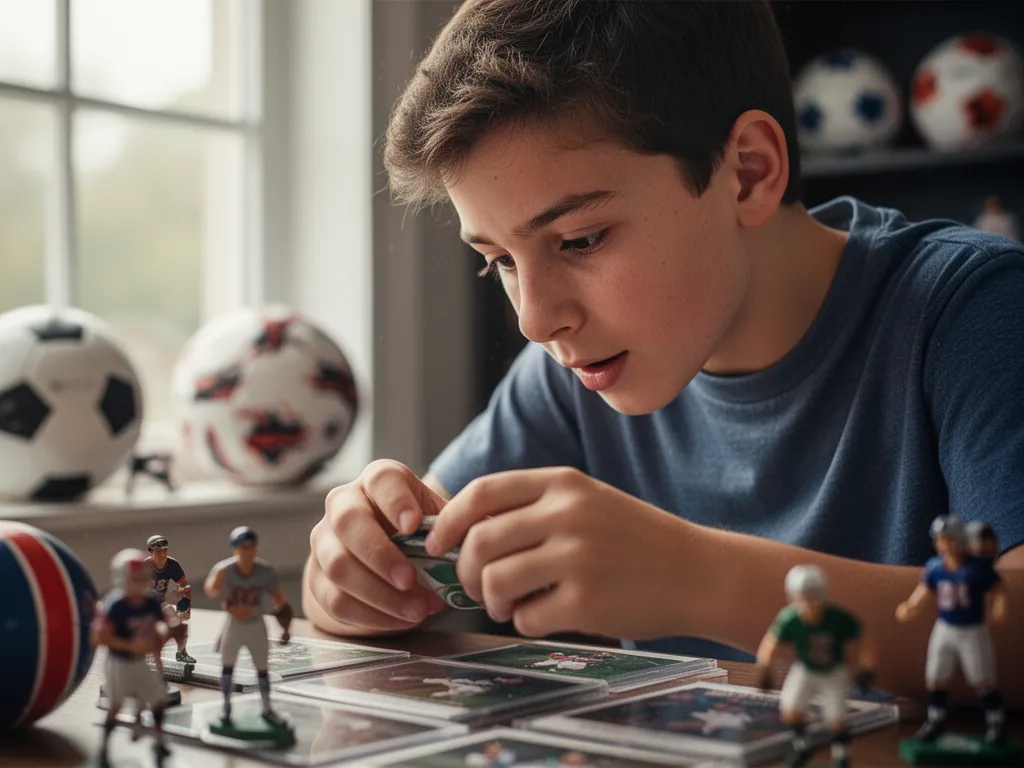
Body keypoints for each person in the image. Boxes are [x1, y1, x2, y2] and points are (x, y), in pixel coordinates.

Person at [303, 0, 1024, 704]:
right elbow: (396, 566)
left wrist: (700, 578)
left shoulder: (973, 309)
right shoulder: (574, 375)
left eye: (580, 240)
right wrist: (354, 579)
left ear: (747, 170)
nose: (535, 320)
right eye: (500, 261)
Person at [896, 515, 1007, 744]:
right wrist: (911, 607)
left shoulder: (976, 568)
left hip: (972, 629)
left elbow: (999, 588)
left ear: (960, 540)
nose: (944, 545)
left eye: (949, 539)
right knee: (935, 677)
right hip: (945, 627)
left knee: (982, 680)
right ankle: (935, 721)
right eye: (940, 540)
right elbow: (923, 591)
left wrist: (999, 609)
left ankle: (996, 722)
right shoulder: (935, 566)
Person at [757, 565, 875, 768]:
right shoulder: (790, 618)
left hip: (833, 672)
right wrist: (765, 668)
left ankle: (841, 756)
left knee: (836, 720)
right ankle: (803, 746)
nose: (808, 603)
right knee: (790, 711)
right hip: (806, 669)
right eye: (802, 597)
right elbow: (770, 642)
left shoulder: (837, 618)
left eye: (813, 596)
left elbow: (864, 637)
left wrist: (867, 666)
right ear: (793, 597)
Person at [94, 549, 182, 767]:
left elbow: (166, 615)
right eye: (134, 579)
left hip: (140, 662)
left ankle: (159, 741)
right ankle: (104, 747)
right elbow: (99, 636)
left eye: (142, 579)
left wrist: (171, 624)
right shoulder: (116, 605)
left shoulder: (150, 600)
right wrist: (129, 644)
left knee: (159, 700)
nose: (139, 584)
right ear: (122, 580)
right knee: (115, 706)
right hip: (119, 662)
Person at [204, 526, 293, 728]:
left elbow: (280, 600)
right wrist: (217, 585)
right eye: (242, 547)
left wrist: (285, 626)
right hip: (234, 623)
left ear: (255, 548)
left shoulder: (265, 571)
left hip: (256, 623)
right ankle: (225, 708)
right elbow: (211, 591)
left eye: (250, 547)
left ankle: (267, 708)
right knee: (227, 666)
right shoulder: (224, 570)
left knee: (262, 669)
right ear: (235, 549)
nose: (246, 551)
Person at [145, 534, 196, 664]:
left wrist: (184, 599)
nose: (162, 554)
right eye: (158, 551)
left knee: (178, 624)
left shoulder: (172, 564)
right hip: (143, 605)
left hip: (160, 603)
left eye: (165, 550)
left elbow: (185, 585)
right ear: (151, 552)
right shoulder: (144, 567)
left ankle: (181, 652)